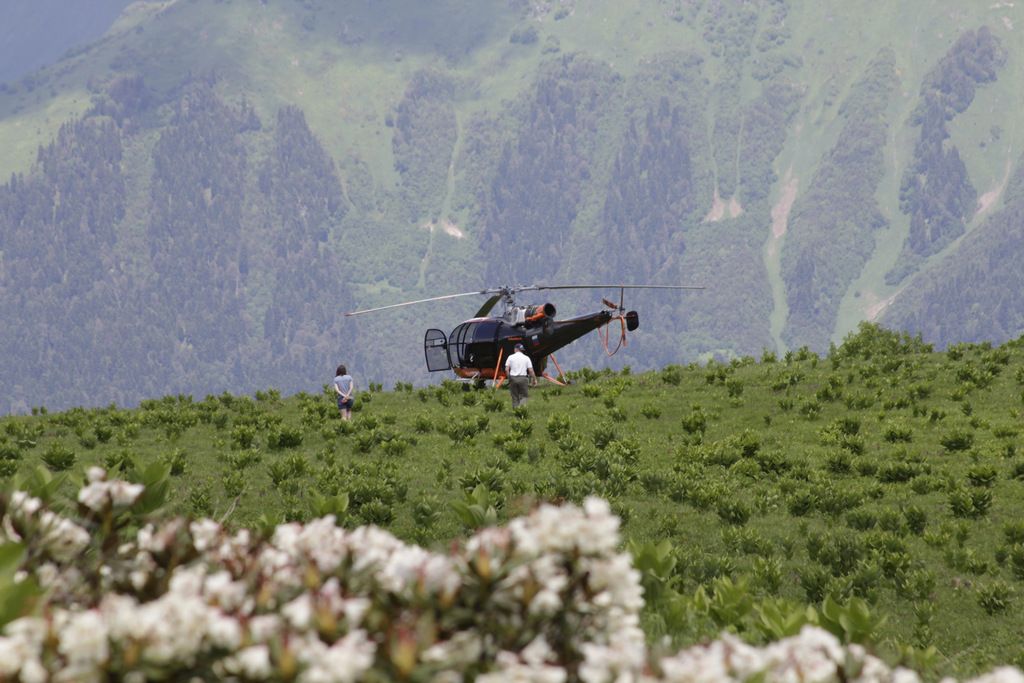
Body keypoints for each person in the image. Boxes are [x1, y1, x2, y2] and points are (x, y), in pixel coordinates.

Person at [504, 343, 537, 408]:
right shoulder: (526, 358)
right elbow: (530, 370)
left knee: (515, 397)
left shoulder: (510, 357)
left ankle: (516, 412)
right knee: (524, 396)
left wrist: (509, 378)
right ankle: (522, 412)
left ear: (515, 349)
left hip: (513, 378)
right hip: (523, 378)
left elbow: (506, 369)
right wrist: (534, 379)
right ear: (522, 350)